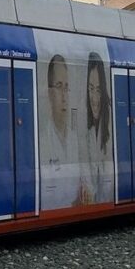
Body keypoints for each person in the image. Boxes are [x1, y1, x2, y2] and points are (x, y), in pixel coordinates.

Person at [40, 54, 82, 209]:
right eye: (59, 87)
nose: (64, 96)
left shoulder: (74, 139)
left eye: (66, 87)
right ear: (50, 94)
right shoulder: (42, 142)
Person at [81, 52, 113, 204]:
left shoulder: (110, 125)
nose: (94, 98)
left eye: (99, 90)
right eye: (91, 88)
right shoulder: (85, 127)